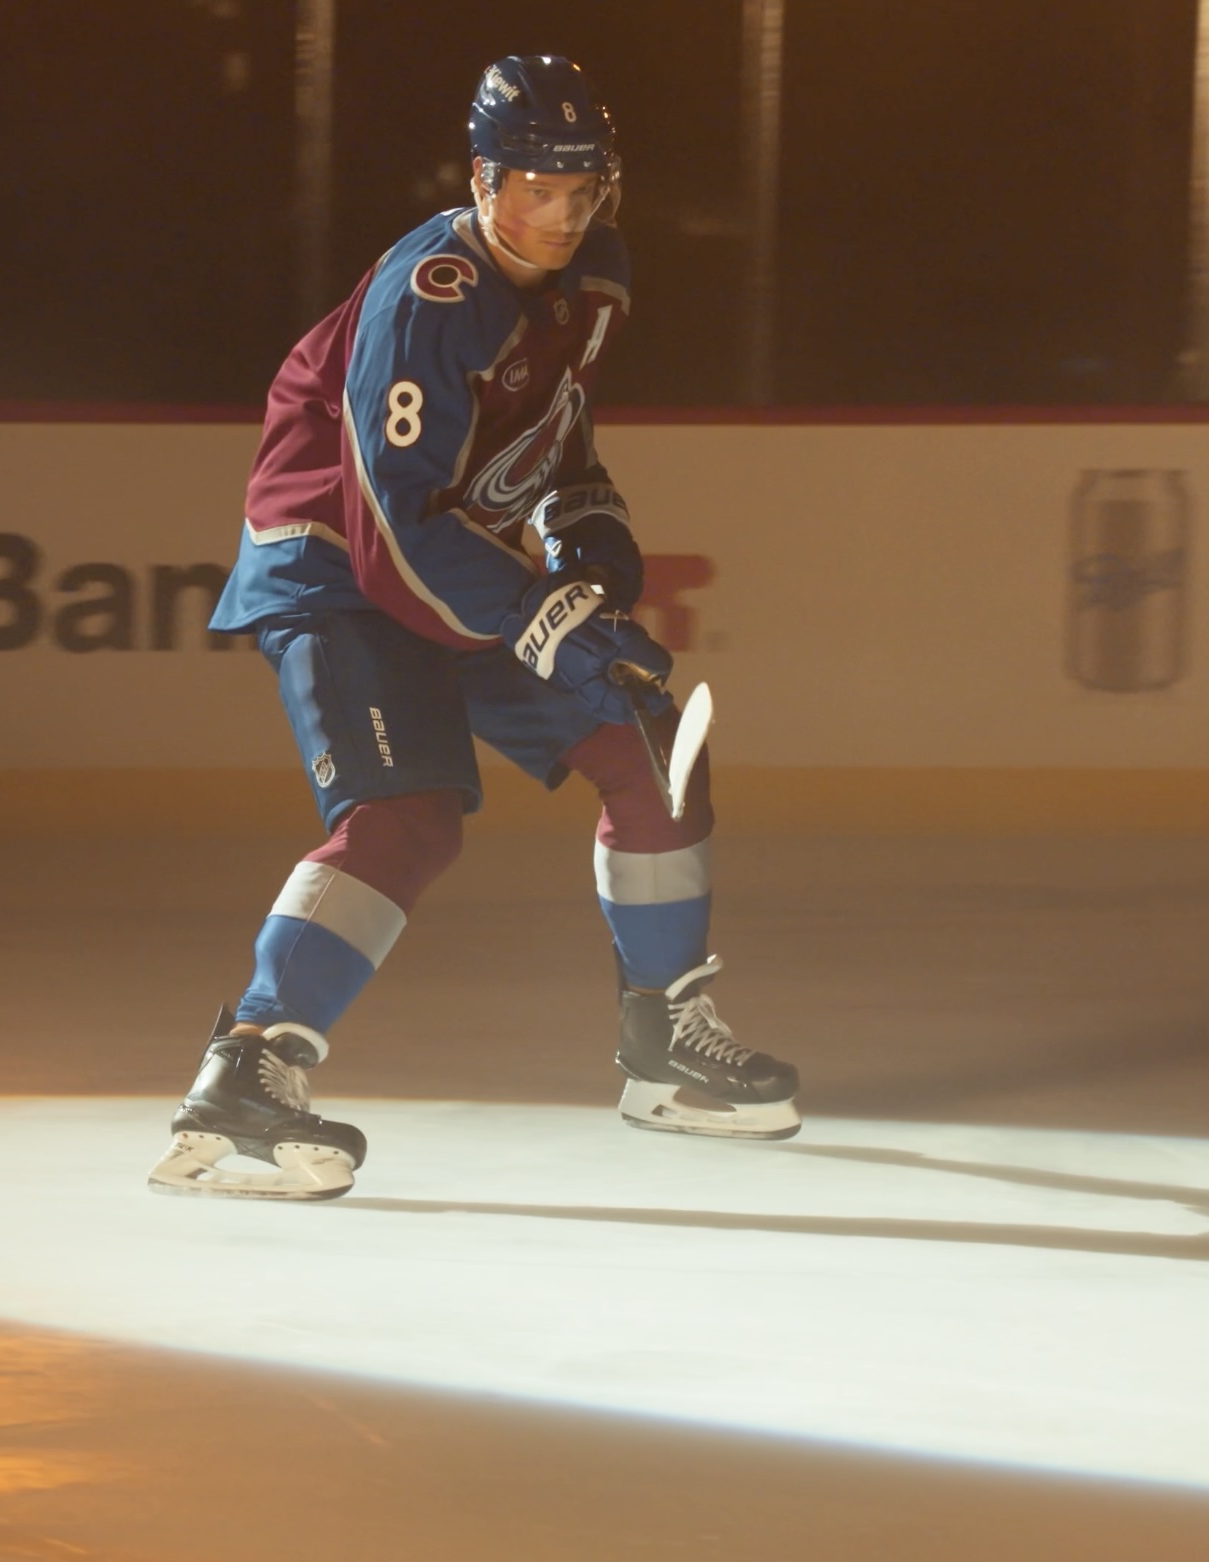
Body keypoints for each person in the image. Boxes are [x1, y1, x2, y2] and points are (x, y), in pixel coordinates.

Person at [148, 55, 801, 1201]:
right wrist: (548, 620)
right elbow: (395, 529)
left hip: (448, 561)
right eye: (530, 189)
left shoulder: (596, 273)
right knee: (406, 816)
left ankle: (662, 1039)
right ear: (481, 177)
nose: (554, 217)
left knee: (644, 738)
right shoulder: (426, 297)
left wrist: (589, 542)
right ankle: (245, 1071)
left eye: (578, 189)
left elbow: (552, 436)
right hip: (338, 565)